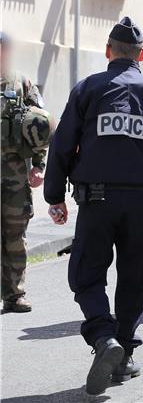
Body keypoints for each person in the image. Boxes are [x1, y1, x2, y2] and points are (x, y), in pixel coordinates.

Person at [43, 17, 143, 396]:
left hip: (96, 201)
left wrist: (54, 196)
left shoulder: (88, 89)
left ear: (108, 51)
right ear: (142, 55)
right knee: (136, 278)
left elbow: (62, 144)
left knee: (87, 274)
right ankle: (124, 350)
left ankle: (103, 338)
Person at [0, 32, 54, 313]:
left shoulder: (22, 83)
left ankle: (15, 295)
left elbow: (40, 126)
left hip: (15, 173)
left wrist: (39, 165)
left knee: (15, 234)